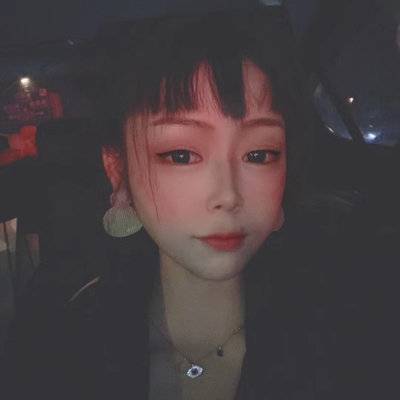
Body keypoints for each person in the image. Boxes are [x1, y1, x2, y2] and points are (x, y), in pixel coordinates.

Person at [3, 7, 374, 400]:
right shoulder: (56, 345)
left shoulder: (352, 340)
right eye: (181, 155)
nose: (228, 195)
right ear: (119, 173)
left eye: (260, 154)